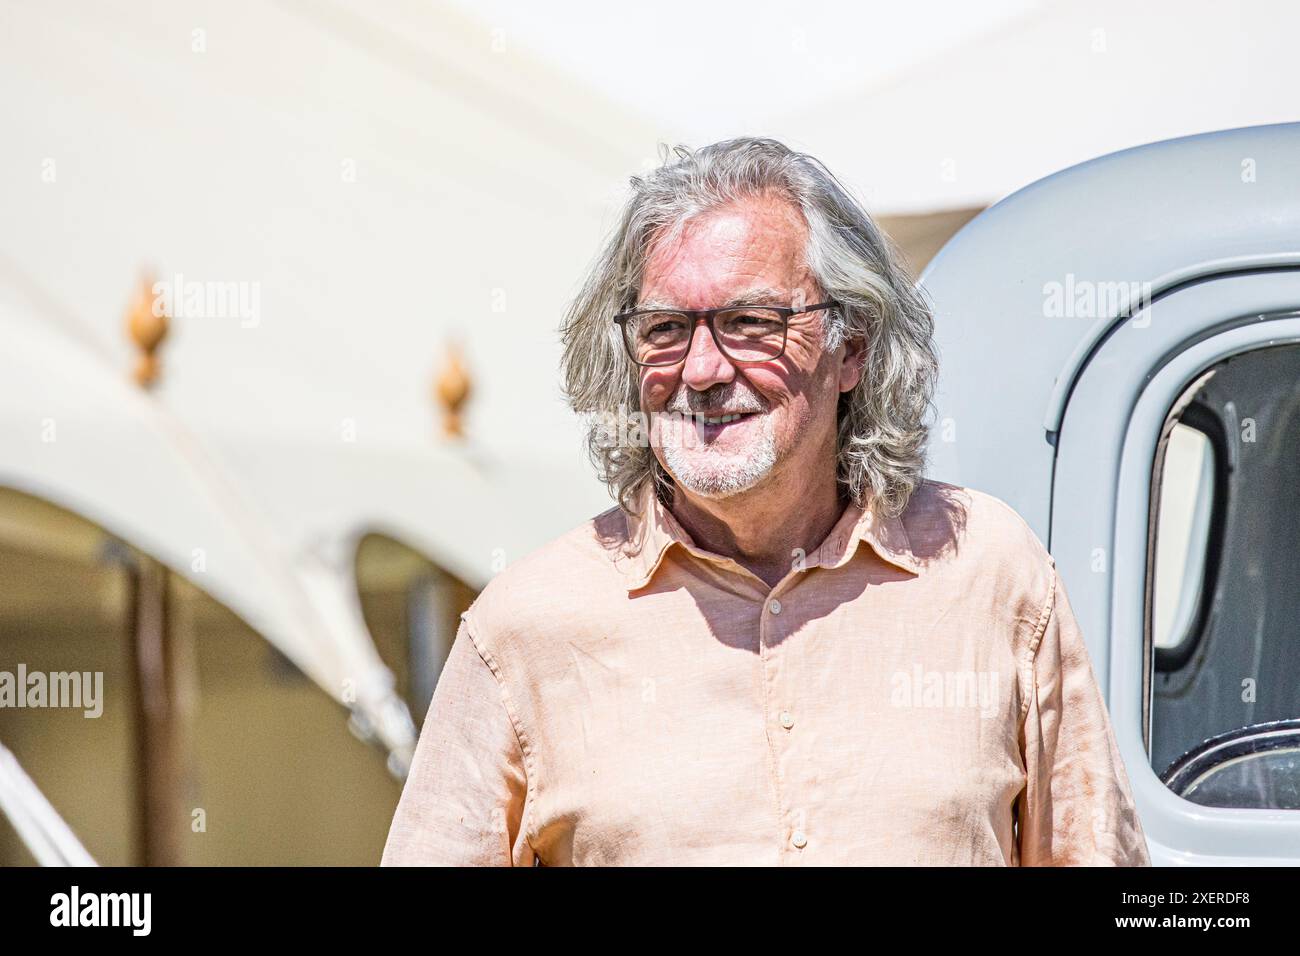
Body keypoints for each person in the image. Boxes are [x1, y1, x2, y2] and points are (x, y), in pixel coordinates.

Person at [381, 137, 1150, 866]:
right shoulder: (527, 628)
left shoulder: (989, 572)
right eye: (666, 328)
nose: (704, 368)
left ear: (851, 348)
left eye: (751, 322)